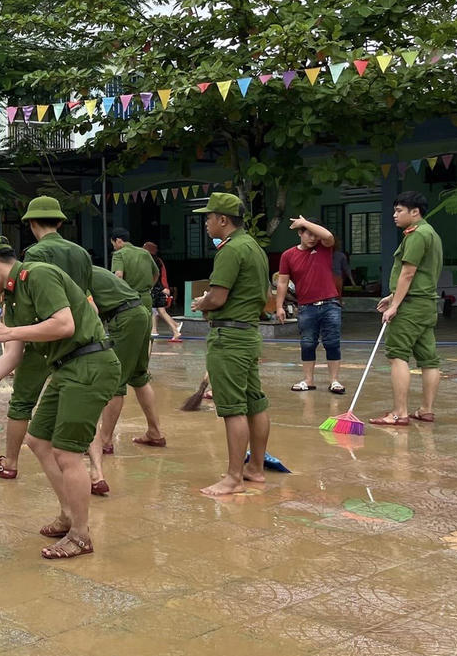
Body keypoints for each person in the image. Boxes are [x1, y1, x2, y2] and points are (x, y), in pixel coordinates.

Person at [0, 236, 119, 560]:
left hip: (90, 364)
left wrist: (8, 332)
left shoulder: (38, 275)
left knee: (67, 452)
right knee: (38, 440)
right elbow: (13, 354)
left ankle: (81, 535)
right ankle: (68, 514)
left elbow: (64, 324)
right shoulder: (13, 297)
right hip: (66, 368)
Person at [0, 196, 92, 480]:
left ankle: (11, 462)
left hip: (45, 336)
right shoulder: (81, 253)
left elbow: (29, 297)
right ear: (60, 222)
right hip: (84, 341)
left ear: (31, 224)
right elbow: (87, 298)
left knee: (22, 401)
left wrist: (10, 330)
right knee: (79, 409)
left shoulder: (34, 258)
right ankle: (96, 471)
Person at [189, 193, 271, 496]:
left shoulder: (230, 250)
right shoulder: (254, 247)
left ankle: (234, 478)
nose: (206, 223)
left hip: (229, 337)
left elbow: (219, 297)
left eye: (209, 217)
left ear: (223, 220)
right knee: (255, 402)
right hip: (248, 333)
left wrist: (202, 302)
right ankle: (255, 468)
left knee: (233, 408)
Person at [85, 265, 166, 495]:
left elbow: (92, 309)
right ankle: (155, 432)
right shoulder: (93, 269)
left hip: (124, 318)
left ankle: (105, 440)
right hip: (140, 312)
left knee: (115, 381)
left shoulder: (76, 275)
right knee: (139, 376)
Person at [371, 191, 443, 426]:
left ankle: (399, 413)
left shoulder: (417, 235)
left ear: (415, 212)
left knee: (397, 355)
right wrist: (392, 296)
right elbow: (422, 275)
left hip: (410, 307)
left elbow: (408, 273)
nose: (394, 215)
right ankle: (426, 410)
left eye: (399, 210)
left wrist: (395, 305)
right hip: (426, 305)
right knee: (429, 360)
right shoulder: (431, 233)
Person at [276, 216, 344, 394]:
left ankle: (334, 381)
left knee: (332, 342)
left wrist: (305, 223)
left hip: (330, 303)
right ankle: (308, 380)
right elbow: (282, 282)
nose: (313, 238)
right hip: (306, 306)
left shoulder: (324, 247)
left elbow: (328, 236)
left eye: (315, 235)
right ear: (300, 233)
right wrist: (279, 306)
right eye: (308, 234)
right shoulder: (288, 255)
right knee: (307, 343)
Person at [142, 241, 183, 341]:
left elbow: (157, 277)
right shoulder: (158, 261)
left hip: (157, 289)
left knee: (158, 311)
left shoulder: (151, 262)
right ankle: (174, 327)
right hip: (159, 289)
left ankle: (175, 329)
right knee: (160, 311)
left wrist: (160, 288)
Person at [110, 229, 159, 306]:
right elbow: (156, 273)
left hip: (130, 299)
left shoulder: (119, 254)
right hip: (146, 298)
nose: (114, 247)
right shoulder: (145, 252)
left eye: (113, 244)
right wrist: (150, 288)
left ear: (118, 240)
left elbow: (118, 276)